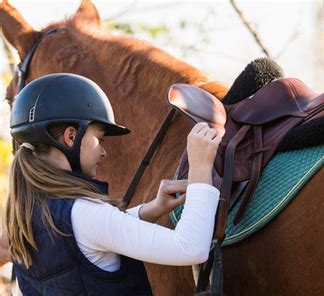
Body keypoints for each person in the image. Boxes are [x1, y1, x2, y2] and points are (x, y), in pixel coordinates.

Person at [6, 73, 221, 295]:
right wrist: (200, 166)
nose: (103, 151)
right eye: (100, 139)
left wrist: (150, 210)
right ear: (71, 137)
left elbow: (84, 240)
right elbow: (190, 248)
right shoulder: (84, 213)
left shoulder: (26, 215)